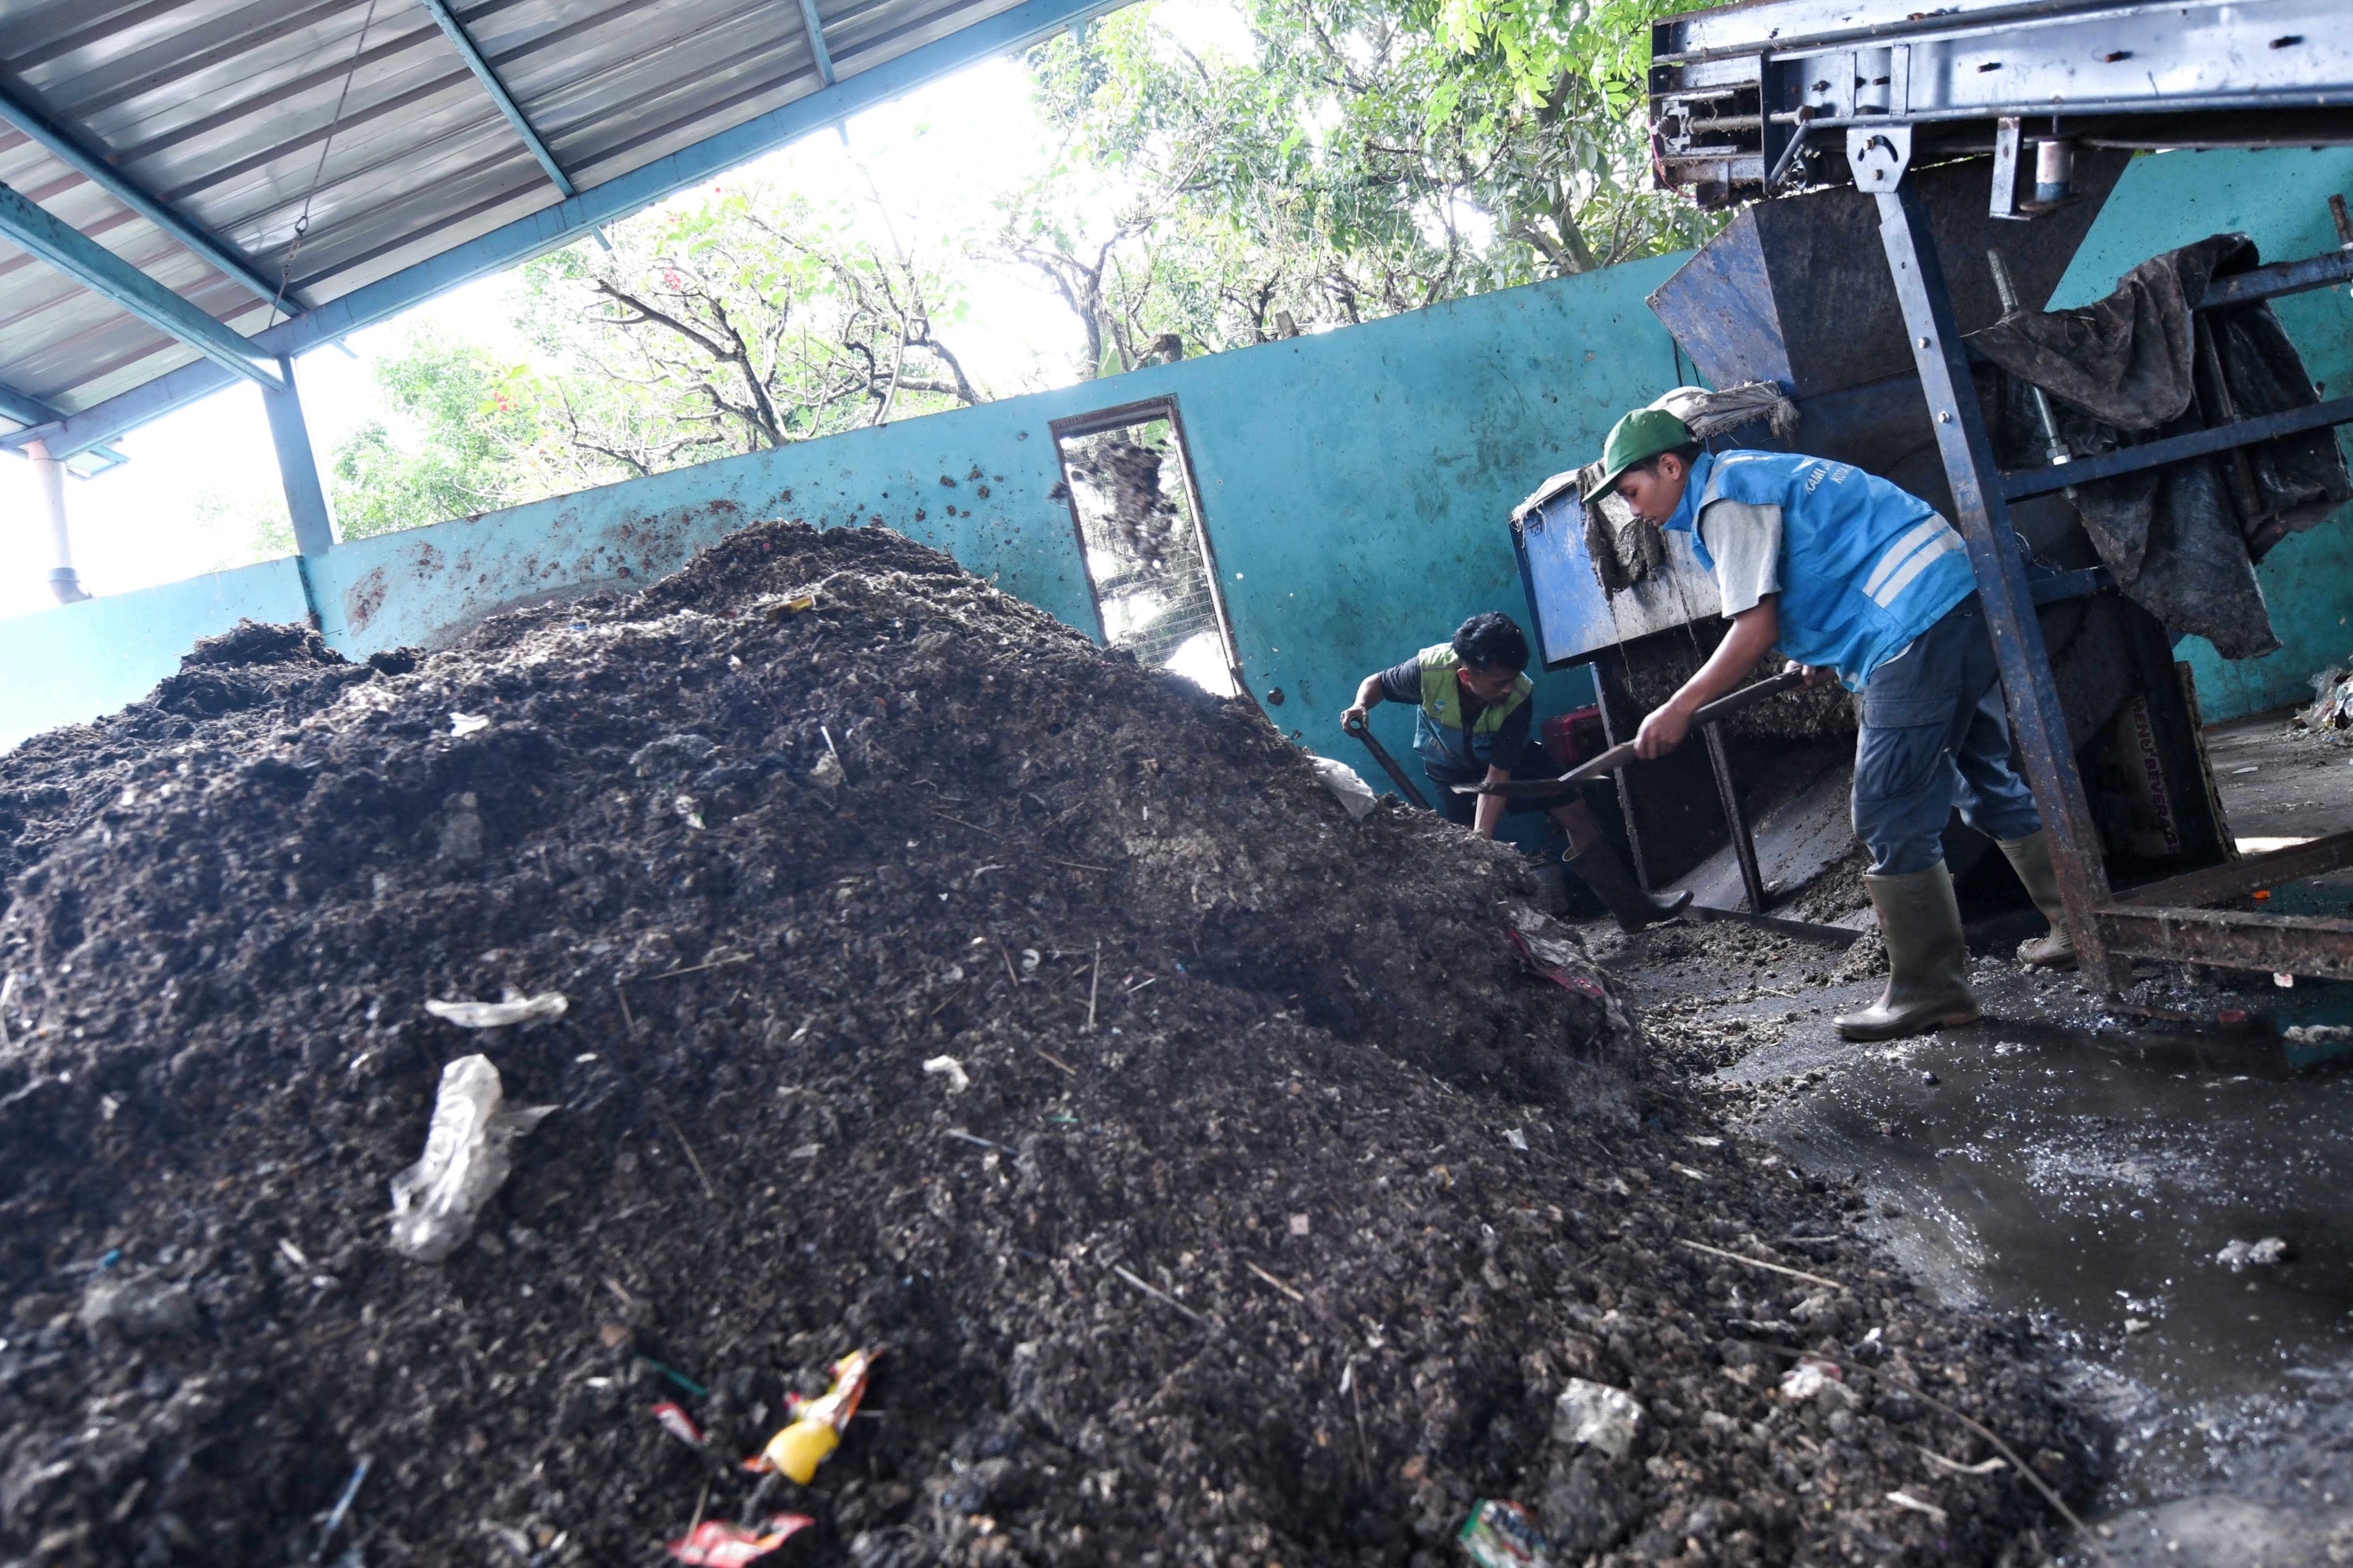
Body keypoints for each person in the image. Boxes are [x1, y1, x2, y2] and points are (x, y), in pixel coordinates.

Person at [1588, 406, 2076, 1041]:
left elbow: (1752, 625)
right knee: (1979, 775)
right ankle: (2075, 923)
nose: (1631, 511)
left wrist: (1678, 706)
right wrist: (1819, 648)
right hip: (1956, 600)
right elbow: (1829, 559)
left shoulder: (1723, 499)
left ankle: (1929, 989)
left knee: (1886, 810)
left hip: (1911, 628)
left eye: (1631, 492)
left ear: (1670, 466)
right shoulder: (1756, 473)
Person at [1341, 611, 1688, 932]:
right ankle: (1491, 937)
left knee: (1576, 813)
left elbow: (1498, 777)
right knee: (1462, 855)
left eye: (1513, 678)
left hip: (1509, 761)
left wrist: (1482, 841)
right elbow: (1378, 683)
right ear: (1466, 675)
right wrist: (1359, 705)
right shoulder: (1428, 671)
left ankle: (1631, 907)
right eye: (1499, 682)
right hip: (1449, 767)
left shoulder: (1519, 694)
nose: (1509, 688)